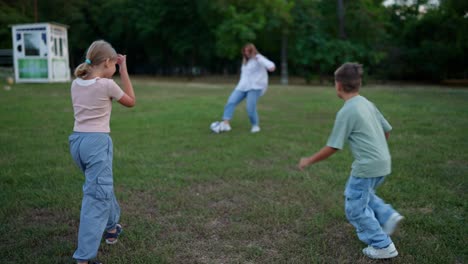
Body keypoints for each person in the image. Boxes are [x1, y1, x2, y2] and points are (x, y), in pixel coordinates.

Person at [298, 63, 403, 259]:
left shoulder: (347, 111)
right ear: (359, 83)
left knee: (355, 208)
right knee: (364, 194)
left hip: (367, 166)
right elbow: (386, 130)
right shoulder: (367, 103)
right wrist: (377, 152)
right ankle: (387, 215)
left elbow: (333, 147)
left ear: (338, 85)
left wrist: (308, 160)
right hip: (383, 163)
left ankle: (383, 245)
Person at [69, 40, 136, 264]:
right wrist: (124, 69)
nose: (115, 68)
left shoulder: (76, 83)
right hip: (97, 143)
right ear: (108, 62)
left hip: (77, 142)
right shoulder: (106, 85)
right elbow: (131, 101)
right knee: (96, 196)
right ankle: (84, 258)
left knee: (101, 186)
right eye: (115, 64)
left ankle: (111, 228)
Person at [210, 43, 275, 134]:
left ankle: (255, 125)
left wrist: (263, 62)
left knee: (250, 108)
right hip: (242, 87)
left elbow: (271, 66)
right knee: (231, 102)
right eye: (245, 51)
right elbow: (244, 76)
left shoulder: (258, 57)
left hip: (255, 87)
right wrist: (239, 85)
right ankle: (226, 124)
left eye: (249, 51)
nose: (247, 53)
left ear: (253, 50)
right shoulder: (245, 61)